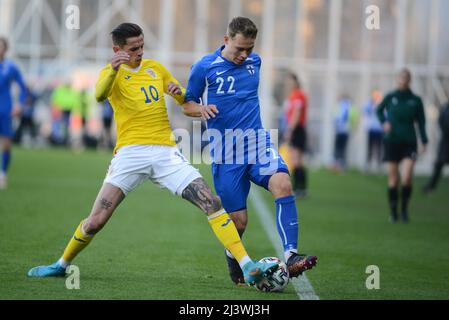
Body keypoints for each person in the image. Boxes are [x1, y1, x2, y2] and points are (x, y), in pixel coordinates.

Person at [27, 23, 278, 286]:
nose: (139, 52)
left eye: (142, 46)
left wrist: (182, 95)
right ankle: (61, 264)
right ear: (118, 49)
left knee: (211, 203)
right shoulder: (110, 73)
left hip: (165, 152)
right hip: (130, 154)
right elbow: (100, 95)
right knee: (96, 220)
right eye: (133, 48)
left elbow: (186, 103)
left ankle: (247, 265)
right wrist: (113, 69)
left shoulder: (155, 69)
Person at [183, 17, 317, 285]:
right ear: (226, 40)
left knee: (283, 183)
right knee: (238, 222)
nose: (244, 55)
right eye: (239, 49)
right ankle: (232, 256)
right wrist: (202, 110)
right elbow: (187, 104)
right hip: (225, 152)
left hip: (257, 144)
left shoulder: (255, 62)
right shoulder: (204, 67)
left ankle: (290, 255)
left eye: (250, 49)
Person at [377, 68, 428, 223]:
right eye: (401, 77)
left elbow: (421, 122)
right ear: (397, 79)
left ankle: (404, 210)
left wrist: (424, 140)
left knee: (406, 177)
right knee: (393, 178)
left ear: (409, 80)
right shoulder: (391, 97)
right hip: (392, 141)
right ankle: (393, 213)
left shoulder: (415, 100)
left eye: (406, 78)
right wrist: (384, 122)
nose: (403, 80)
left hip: (409, 142)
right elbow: (379, 111)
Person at [0, 37, 27, 190]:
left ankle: (3, 173)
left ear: (5, 49)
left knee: (6, 144)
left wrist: (20, 105)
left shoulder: (10, 67)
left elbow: (23, 87)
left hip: (5, 110)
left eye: (1, 46)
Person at [282, 72, 309, 197]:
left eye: (290, 81)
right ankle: (301, 189)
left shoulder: (298, 95)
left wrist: (290, 129)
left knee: (296, 161)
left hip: (297, 129)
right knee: (296, 161)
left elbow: (296, 114)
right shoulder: (293, 95)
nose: (288, 84)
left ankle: (299, 188)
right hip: (296, 129)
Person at [422, 101, 449, 193]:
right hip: (446, 141)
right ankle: (431, 186)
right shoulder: (445, 108)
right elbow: (440, 121)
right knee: (439, 164)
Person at [362, 90, 384, 171]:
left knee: (379, 148)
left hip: (380, 130)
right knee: (370, 147)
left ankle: (379, 165)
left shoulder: (382, 104)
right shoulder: (369, 104)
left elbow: (386, 116)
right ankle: (368, 164)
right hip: (371, 129)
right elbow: (364, 111)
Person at [332, 95, 354, 172]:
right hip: (346, 130)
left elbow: (335, 117)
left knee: (338, 148)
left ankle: (337, 165)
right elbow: (353, 118)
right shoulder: (350, 106)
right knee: (343, 148)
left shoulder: (339, 106)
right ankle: (341, 166)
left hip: (340, 130)